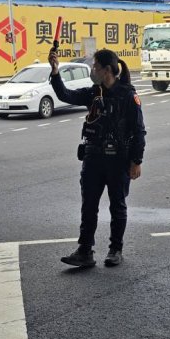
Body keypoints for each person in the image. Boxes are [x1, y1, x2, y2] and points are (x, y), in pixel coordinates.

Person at [50, 43, 145, 268]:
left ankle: (115, 249)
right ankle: (85, 251)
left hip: (118, 160)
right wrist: (55, 72)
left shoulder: (127, 96)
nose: (92, 70)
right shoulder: (94, 93)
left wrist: (136, 161)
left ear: (107, 70)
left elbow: (139, 130)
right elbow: (66, 94)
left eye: (95, 66)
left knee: (117, 205)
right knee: (89, 205)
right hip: (93, 158)